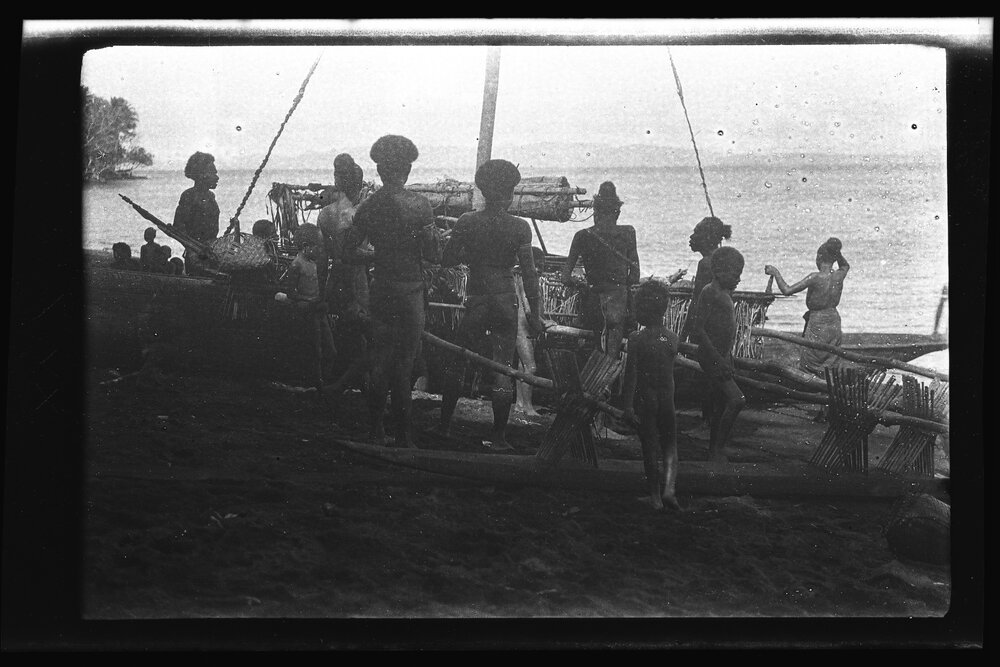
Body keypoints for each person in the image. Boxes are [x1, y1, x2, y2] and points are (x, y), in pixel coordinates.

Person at [436, 159, 546, 451]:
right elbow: (531, 275)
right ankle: (498, 437)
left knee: (458, 361)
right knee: (503, 367)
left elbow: (447, 260)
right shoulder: (520, 227)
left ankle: (445, 426)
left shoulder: (467, 222)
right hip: (505, 298)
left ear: (482, 192)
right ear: (510, 194)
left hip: (478, 298)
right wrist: (536, 314)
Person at [343, 135, 441, 448]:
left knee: (380, 360)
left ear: (381, 170)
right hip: (410, 290)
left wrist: (376, 255)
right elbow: (435, 254)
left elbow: (347, 252)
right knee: (406, 363)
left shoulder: (369, 206)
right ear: (408, 170)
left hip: (381, 287)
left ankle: (375, 431)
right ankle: (404, 436)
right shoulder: (420, 205)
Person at [561, 181, 640, 357]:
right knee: (613, 357)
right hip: (619, 304)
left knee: (592, 352)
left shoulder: (582, 236)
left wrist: (583, 284)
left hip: (593, 303)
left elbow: (565, 278)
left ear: (595, 212)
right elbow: (635, 276)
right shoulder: (628, 233)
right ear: (617, 212)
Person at [622, 279, 681, 511]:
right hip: (668, 400)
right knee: (670, 445)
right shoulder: (671, 338)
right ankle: (670, 492)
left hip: (646, 399)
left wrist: (627, 406)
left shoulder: (637, 339)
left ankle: (655, 497)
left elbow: (631, 376)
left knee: (650, 447)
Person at [690, 246, 746, 464]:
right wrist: (719, 359)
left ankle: (715, 450)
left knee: (720, 404)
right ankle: (716, 449)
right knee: (737, 400)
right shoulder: (709, 291)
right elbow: (699, 328)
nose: (739, 279)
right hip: (712, 356)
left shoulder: (724, 292)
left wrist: (727, 356)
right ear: (719, 271)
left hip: (722, 355)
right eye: (735, 274)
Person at [765, 237, 850, 377]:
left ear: (819, 258)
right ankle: (827, 384)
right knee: (831, 357)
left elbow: (786, 290)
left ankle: (812, 386)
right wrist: (837, 253)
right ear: (834, 258)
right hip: (833, 320)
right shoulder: (839, 275)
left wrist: (776, 272)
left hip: (817, 322)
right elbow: (845, 265)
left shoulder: (815, 277)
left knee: (811, 359)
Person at [681, 216, 733, 432]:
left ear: (708, 239)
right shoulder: (724, 262)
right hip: (723, 325)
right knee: (716, 371)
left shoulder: (706, 264)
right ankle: (714, 419)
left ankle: (709, 421)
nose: (691, 238)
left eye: (696, 234)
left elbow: (697, 301)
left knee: (708, 372)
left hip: (707, 326)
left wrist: (686, 331)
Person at [277, 224, 337, 391]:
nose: (320, 250)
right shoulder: (297, 265)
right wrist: (308, 300)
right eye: (317, 246)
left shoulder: (313, 262)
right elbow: (291, 292)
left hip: (317, 309)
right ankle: (318, 381)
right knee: (316, 349)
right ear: (305, 247)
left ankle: (325, 379)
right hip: (309, 310)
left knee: (330, 349)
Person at [173, 151, 221, 277]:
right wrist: (194, 250)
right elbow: (178, 227)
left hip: (211, 254)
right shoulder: (189, 196)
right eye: (213, 173)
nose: (217, 177)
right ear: (201, 175)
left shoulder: (211, 196)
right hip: (196, 257)